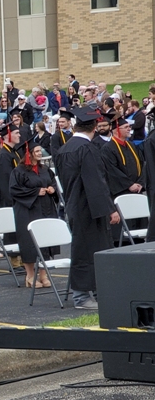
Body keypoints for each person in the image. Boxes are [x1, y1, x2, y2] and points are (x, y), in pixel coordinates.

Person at [56, 108, 119, 309]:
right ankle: (82, 297)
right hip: (90, 207)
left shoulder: (64, 149)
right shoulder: (87, 149)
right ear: (94, 127)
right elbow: (96, 182)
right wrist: (110, 209)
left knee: (83, 248)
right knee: (91, 250)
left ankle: (96, 293)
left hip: (74, 205)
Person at [9, 145, 59, 289]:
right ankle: (30, 276)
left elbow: (52, 181)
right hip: (28, 211)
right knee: (29, 243)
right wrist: (35, 192)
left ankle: (43, 275)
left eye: (40, 151)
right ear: (29, 153)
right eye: (36, 151)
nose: (40, 153)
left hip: (46, 208)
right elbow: (14, 190)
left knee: (45, 240)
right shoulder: (18, 171)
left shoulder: (45, 169)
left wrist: (52, 188)